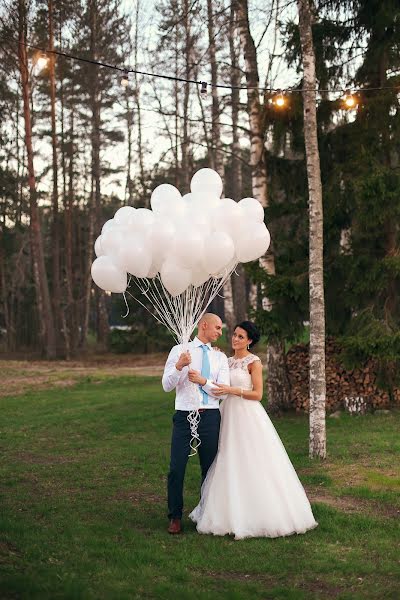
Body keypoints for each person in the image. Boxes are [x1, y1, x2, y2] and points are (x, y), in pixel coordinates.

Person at [189, 321, 318, 540]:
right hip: (226, 412)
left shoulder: (254, 362)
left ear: (249, 341)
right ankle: (225, 512)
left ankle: (262, 511)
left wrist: (232, 389)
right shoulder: (224, 360)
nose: (235, 339)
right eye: (235, 335)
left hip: (247, 413)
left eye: (241, 337)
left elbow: (257, 394)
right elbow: (213, 380)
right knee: (226, 457)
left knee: (252, 458)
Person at [162, 313, 230, 534]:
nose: (220, 332)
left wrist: (203, 381)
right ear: (204, 325)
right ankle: (175, 516)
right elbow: (166, 385)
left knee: (209, 468)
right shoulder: (179, 350)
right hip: (184, 415)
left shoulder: (220, 358)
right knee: (176, 468)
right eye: (217, 328)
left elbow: (223, 391)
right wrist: (179, 366)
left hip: (210, 416)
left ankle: (206, 514)